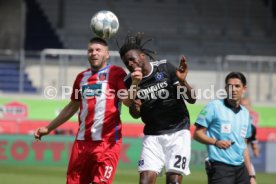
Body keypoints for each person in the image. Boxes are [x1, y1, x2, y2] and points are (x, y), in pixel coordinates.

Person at [34, 37, 139, 184]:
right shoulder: (81, 78)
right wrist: (48, 128)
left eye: (98, 50)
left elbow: (127, 102)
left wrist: (134, 83)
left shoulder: (116, 73)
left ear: (107, 54)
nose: (94, 53)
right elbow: (72, 107)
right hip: (82, 144)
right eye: (90, 50)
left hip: (108, 143)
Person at [119, 32, 196, 184]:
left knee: (173, 182)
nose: (130, 64)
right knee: (145, 182)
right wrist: (136, 108)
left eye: (132, 59)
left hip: (178, 132)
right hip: (153, 136)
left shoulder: (165, 68)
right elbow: (134, 114)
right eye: (126, 62)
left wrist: (182, 82)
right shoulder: (129, 81)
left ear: (142, 56)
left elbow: (192, 99)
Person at [193, 72, 256, 184]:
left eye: (237, 86)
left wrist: (251, 175)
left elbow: (244, 145)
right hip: (220, 167)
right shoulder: (214, 106)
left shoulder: (246, 114)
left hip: (241, 169)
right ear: (226, 88)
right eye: (230, 86)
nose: (234, 89)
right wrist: (216, 142)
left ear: (244, 88)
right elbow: (197, 134)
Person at [241, 97, 260, 176]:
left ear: (250, 106)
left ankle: (251, 176)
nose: (245, 107)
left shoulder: (253, 115)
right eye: (242, 105)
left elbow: (253, 129)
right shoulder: (237, 114)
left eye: (246, 105)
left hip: (247, 139)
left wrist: (254, 145)